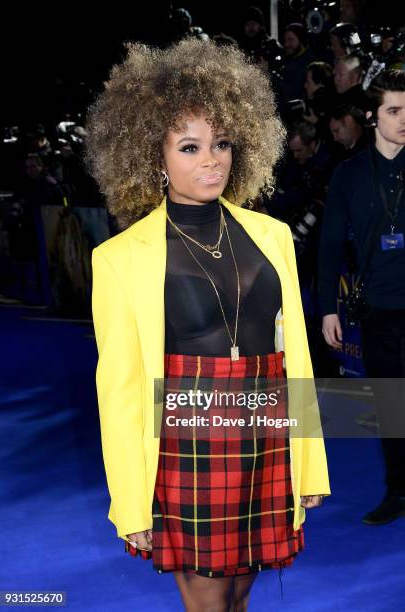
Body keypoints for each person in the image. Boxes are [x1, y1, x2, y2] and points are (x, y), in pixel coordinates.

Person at [86, 39, 330, 610]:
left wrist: (310, 460)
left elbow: (296, 353)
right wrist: (129, 502)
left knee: (242, 595)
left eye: (221, 143)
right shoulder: (120, 258)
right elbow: (118, 392)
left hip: (268, 429)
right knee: (208, 603)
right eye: (191, 146)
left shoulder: (271, 236)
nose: (212, 160)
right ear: (154, 153)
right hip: (188, 437)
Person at [318, 69, 405, 525]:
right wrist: (329, 306)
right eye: (394, 111)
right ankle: (398, 490)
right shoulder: (350, 175)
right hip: (377, 310)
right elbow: (330, 245)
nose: (404, 119)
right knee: (393, 407)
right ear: (372, 116)